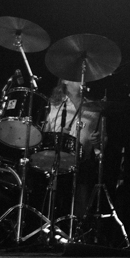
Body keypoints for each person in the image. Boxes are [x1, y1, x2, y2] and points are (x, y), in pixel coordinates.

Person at [40, 79, 102, 224]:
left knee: (81, 207)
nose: (82, 80)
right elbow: (44, 134)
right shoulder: (54, 104)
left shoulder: (95, 107)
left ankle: (78, 228)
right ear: (65, 81)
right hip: (56, 160)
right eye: (77, 77)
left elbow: (103, 141)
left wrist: (98, 141)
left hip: (83, 162)